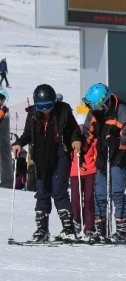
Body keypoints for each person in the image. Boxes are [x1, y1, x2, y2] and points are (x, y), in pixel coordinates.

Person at [11, 84, 82, 242]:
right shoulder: (32, 114)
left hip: (60, 153)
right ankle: (42, 230)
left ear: (53, 102)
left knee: (59, 191)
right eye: (40, 107)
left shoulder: (63, 110)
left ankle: (69, 229)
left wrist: (76, 140)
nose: (44, 111)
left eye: (48, 106)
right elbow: (28, 133)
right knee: (42, 192)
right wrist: (18, 144)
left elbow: (75, 129)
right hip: (41, 155)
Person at [81, 82, 126, 244]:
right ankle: (102, 229)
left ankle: (123, 230)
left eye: (97, 107)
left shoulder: (124, 112)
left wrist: (116, 141)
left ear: (105, 102)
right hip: (102, 157)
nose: (95, 111)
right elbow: (88, 133)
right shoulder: (95, 113)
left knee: (116, 193)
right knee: (99, 193)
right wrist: (81, 149)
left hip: (120, 157)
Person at [70, 124, 97, 235]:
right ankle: (77, 221)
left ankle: (89, 227)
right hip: (75, 172)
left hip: (90, 171)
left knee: (89, 199)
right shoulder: (73, 139)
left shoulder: (93, 139)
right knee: (76, 199)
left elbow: (97, 153)